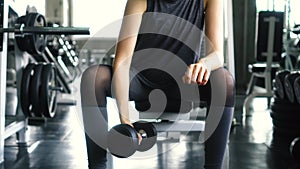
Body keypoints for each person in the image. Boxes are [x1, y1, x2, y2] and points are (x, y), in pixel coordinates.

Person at [80, 0, 235, 168]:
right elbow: (123, 63)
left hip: (184, 83)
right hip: (141, 83)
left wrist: (204, 64)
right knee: (93, 78)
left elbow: (217, 54)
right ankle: (97, 166)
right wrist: (125, 119)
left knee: (224, 80)